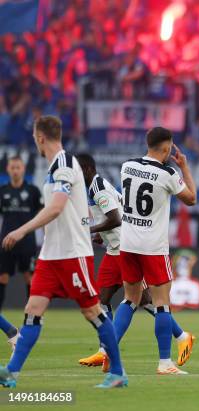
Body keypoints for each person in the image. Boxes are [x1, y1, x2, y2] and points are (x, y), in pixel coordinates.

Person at [0, 115, 126, 388]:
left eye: (34, 136)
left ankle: (117, 372)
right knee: (32, 309)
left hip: (72, 253)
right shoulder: (53, 167)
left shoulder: (66, 165)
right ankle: (11, 372)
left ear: (40, 137)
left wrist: (22, 230)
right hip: (50, 254)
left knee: (92, 312)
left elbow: (56, 207)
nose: (34, 140)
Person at [74, 153, 195, 370]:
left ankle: (178, 338)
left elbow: (115, 217)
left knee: (141, 299)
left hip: (125, 245)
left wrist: (88, 229)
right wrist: (101, 234)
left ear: (86, 169)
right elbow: (117, 211)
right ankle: (179, 337)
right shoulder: (94, 187)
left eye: (76, 169)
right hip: (115, 247)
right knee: (109, 297)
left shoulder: (98, 188)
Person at [112, 127, 197, 375]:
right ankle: (165, 363)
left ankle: (109, 352)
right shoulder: (168, 173)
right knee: (162, 304)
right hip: (152, 248)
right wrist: (185, 168)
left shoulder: (126, 166)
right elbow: (191, 199)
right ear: (167, 148)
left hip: (127, 244)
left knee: (130, 299)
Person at [0, 156, 43, 350]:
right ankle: (7, 325)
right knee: (2, 278)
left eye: (18, 167)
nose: (15, 170)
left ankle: (31, 319)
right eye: (12, 167)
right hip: (6, 242)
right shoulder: (3, 191)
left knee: (29, 278)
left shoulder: (33, 191)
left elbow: (43, 215)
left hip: (27, 242)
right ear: (8, 169)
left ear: (23, 169)